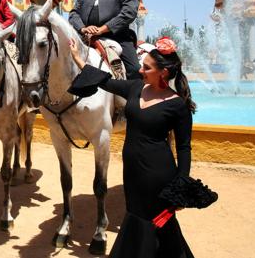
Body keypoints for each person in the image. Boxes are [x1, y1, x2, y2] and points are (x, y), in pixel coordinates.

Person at [69, 36, 195, 258]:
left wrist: (182, 184)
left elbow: (184, 147)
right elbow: (105, 81)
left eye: (146, 67)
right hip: (133, 172)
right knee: (135, 215)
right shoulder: (136, 88)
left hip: (159, 174)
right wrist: (78, 59)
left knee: (157, 222)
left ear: (162, 73)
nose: (140, 71)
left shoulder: (177, 105)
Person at [69, 0, 141, 79]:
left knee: (134, 69)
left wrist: (101, 29)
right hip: (86, 37)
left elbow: (128, 13)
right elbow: (74, 13)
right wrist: (83, 28)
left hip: (117, 36)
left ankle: (134, 97)